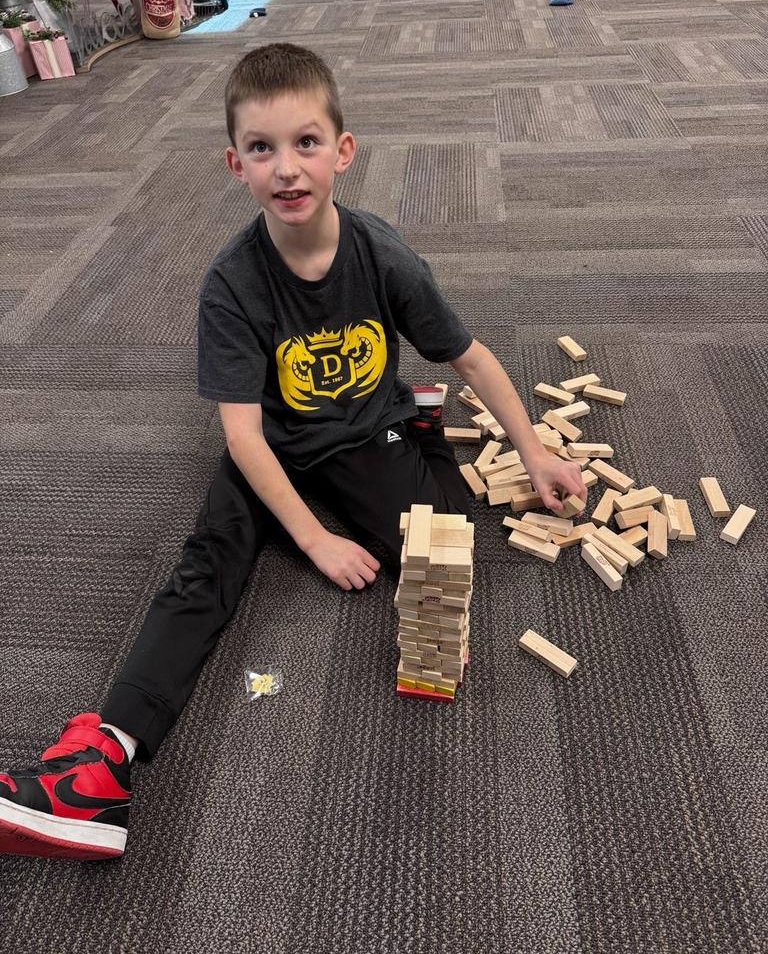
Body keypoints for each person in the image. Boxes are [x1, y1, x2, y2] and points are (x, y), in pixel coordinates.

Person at [0, 43, 586, 861]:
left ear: (342, 152)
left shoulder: (382, 255)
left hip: (362, 432)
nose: (287, 168)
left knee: (448, 546)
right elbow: (239, 434)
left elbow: (472, 357)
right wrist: (312, 539)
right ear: (235, 163)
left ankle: (413, 428)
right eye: (263, 149)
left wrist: (533, 457)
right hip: (271, 445)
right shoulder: (231, 283)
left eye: (306, 143)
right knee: (207, 565)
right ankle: (101, 766)